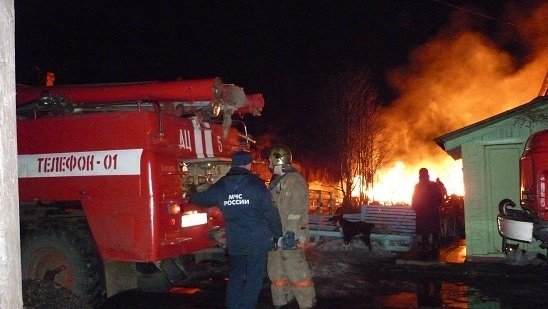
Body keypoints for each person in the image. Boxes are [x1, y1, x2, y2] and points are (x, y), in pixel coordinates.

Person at [189, 150, 282, 309]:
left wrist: (191, 193)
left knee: (236, 276)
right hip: (257, 241)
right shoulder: (257, 185)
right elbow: (271, 213)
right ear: (248, 164)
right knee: (254, 277)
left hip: (236, 240)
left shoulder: (222, 185)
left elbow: (201, 199)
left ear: (233, 164)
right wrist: (278, 234)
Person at [267, 145, 316, 309]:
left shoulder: (295, 180)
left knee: (297, 273)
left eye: (270, 160)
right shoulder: (276, 182)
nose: (268, 164)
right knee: (277, 273)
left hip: (290, 236)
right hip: (276, 237)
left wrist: (290, 234)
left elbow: (297, 210)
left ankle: (307, 303)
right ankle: (281, 302)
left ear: (276, 160)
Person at [411, 168, 444, 260]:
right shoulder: (433, 185)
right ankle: (434, 251)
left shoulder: (418, 186)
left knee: (424, 233)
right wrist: (434, 206)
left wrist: (417, 208)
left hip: (423, 214)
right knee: (433, 232)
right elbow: (440, 200)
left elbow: (414, 201)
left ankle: (426, 250)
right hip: (432, 214)